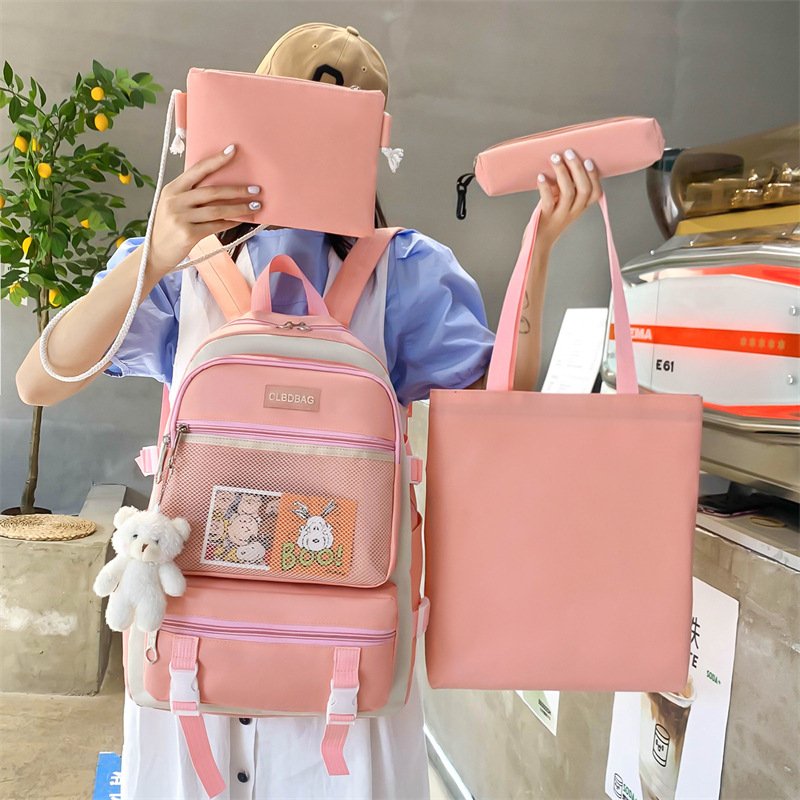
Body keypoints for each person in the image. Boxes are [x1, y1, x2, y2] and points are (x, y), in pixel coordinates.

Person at [16, 22, 601, 800]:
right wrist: (155, 252)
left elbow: (502, 416)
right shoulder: (182, 265)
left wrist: (541, 248)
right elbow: (40, 381)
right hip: (203, 638)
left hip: (342, 652)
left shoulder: (403, 270)